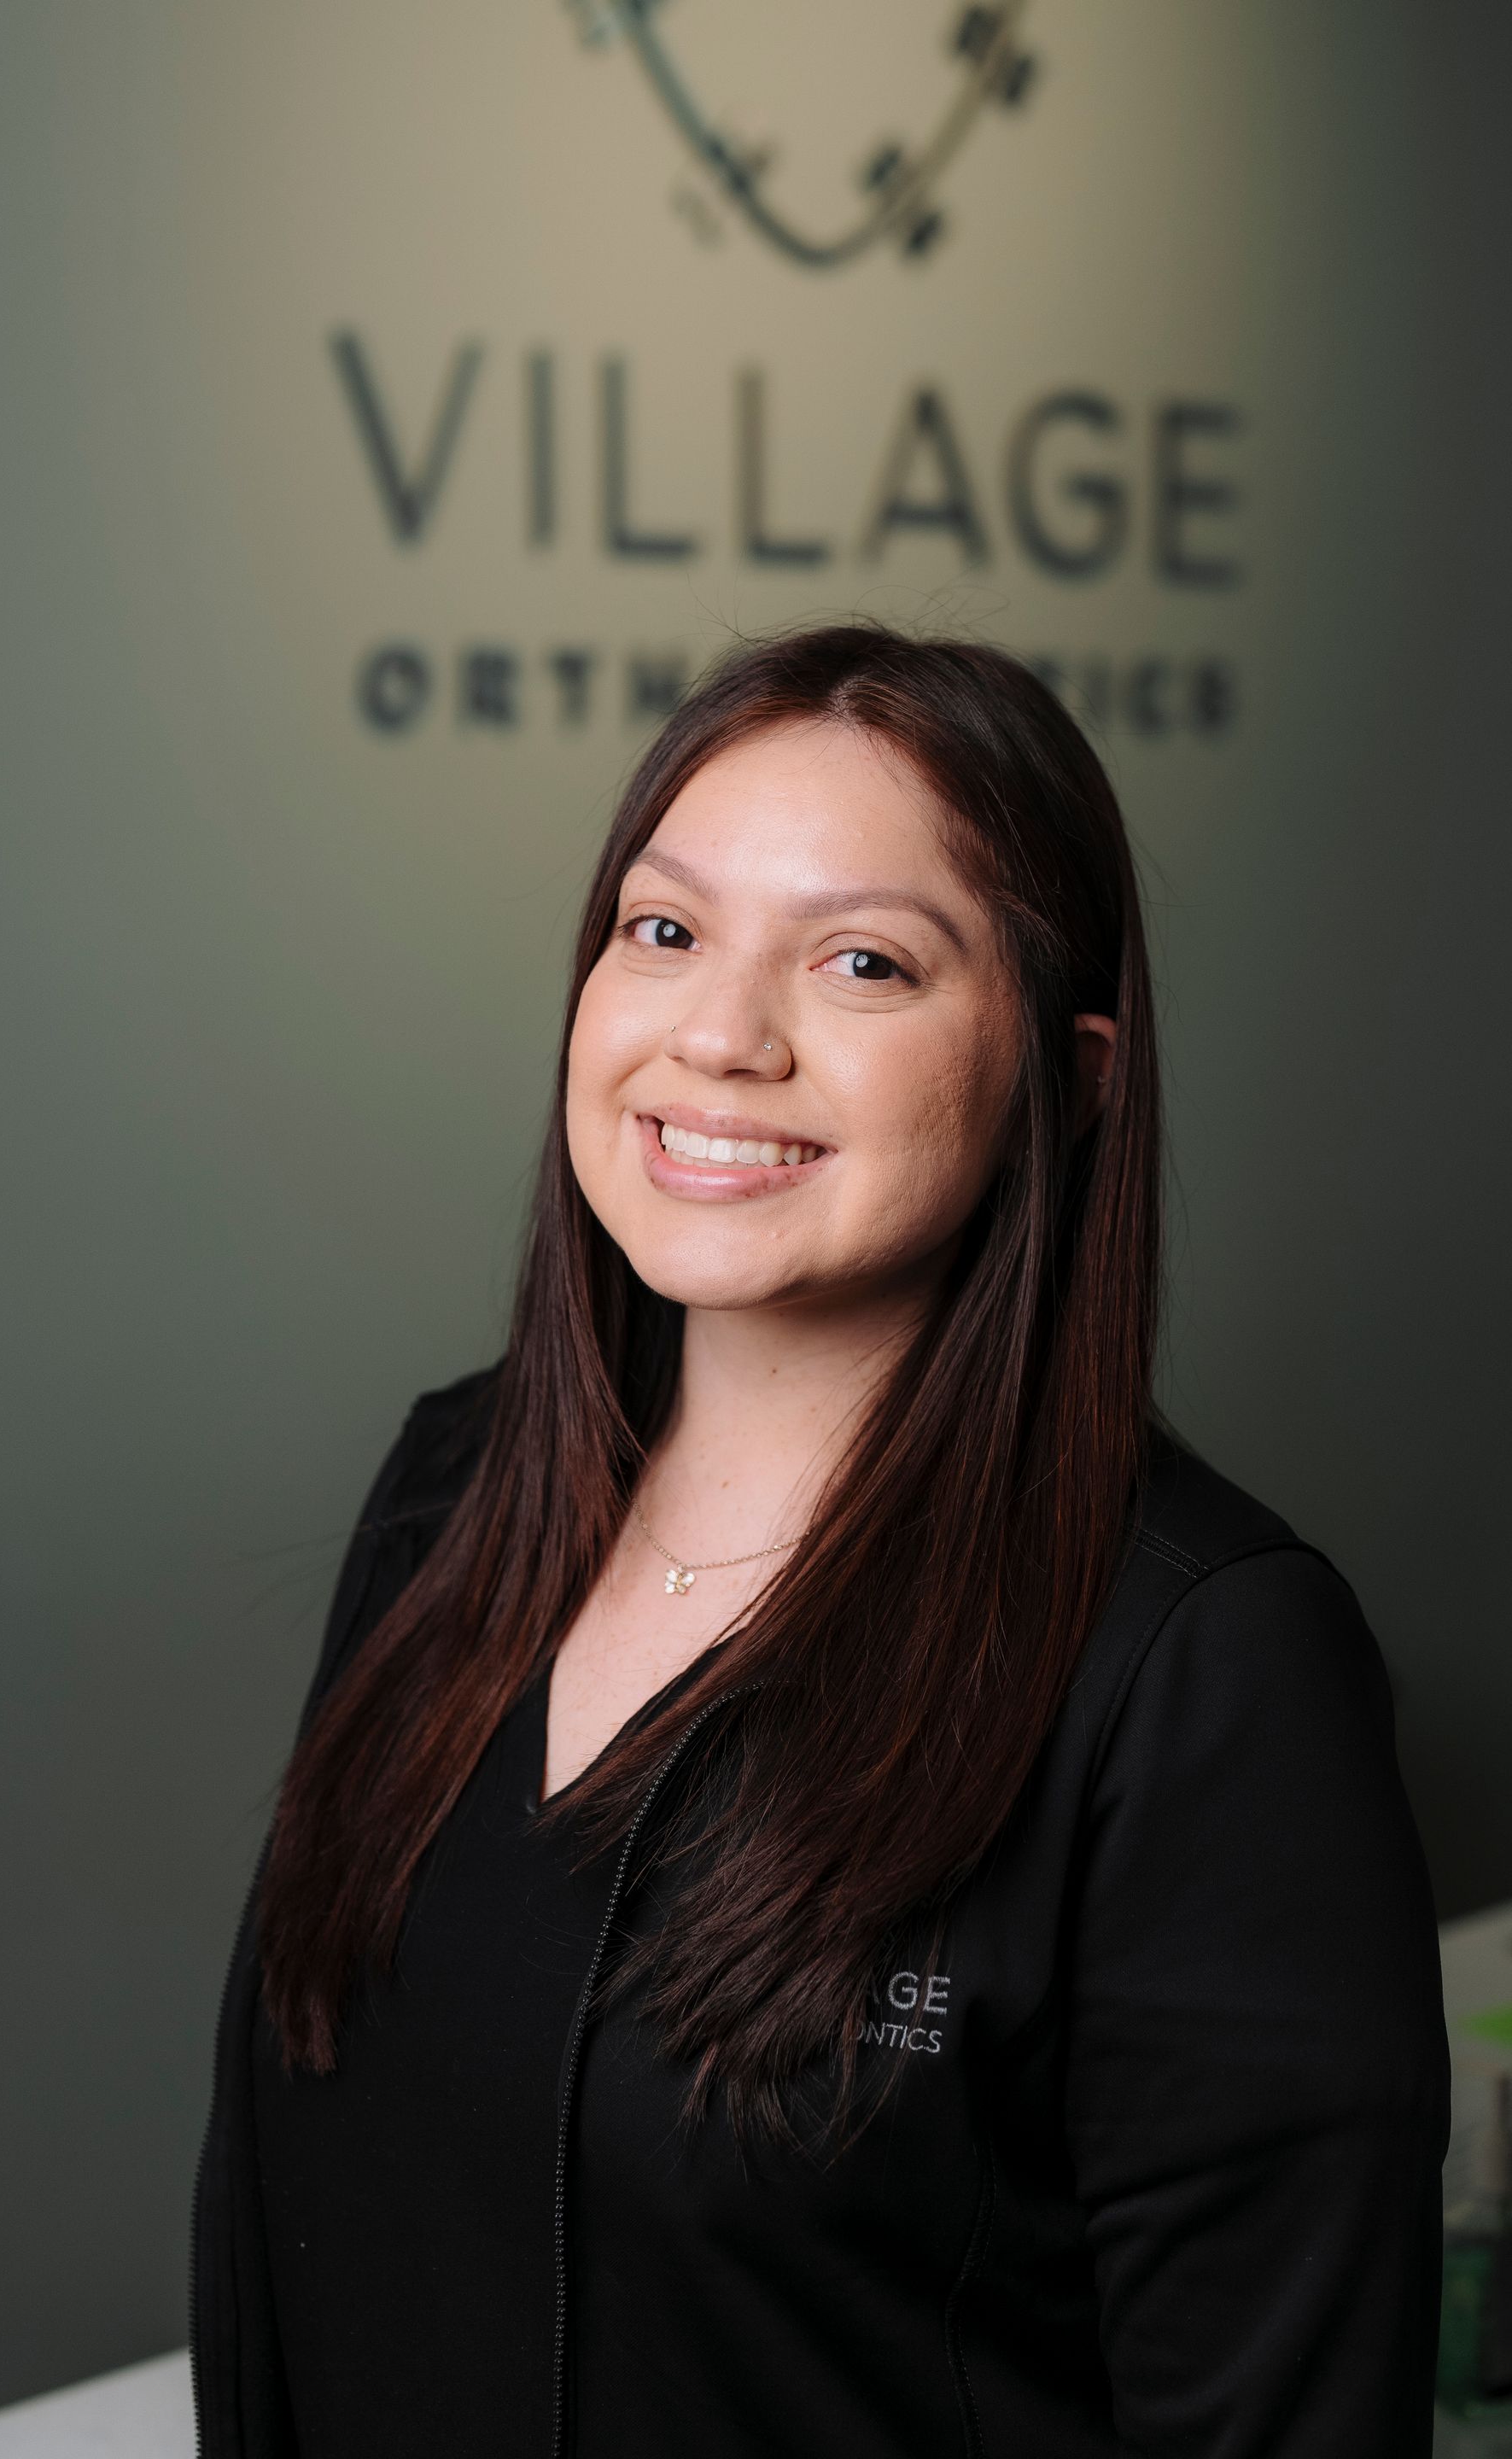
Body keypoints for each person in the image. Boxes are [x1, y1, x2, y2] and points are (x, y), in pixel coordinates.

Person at [191, 623, 1448, 2457]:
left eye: (864, 961)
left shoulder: (1203, 1673)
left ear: (1070, 1074)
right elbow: (270, 2234)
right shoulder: (455, 1490)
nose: (719, 1035)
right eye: (666, 929)